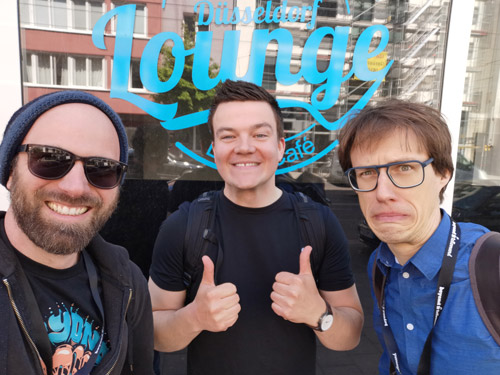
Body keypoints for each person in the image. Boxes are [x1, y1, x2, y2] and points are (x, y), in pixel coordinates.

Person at [149, 80, 363, 375]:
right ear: (213, 149)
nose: (245, 147)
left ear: (280, 147)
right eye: (228, 136)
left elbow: (350, 336)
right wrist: (193, 318)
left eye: (260, 134)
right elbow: (155, 334)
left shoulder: (320, 223)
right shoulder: (182, 226)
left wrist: (319, 314)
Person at [337, 100, 500, 374]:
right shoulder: (380, 264)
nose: (382, 192)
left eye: (404, 168)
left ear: (443, 174)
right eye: (367, 173)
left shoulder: (491, 265)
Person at [0, 91, 154, 374]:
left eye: (102, 169)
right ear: (10, 172)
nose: (75, 188)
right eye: (50, 158)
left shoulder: (128, 283)